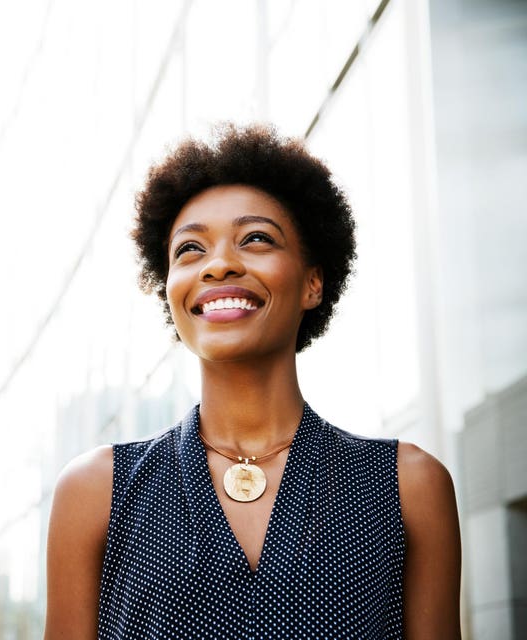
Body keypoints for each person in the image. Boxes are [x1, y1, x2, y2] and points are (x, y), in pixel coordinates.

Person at [44, 124, 461, 639]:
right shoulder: (95, 492)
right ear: (170, 290)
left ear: (313, 282)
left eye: (256, 238)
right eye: (190, 249)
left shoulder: (409, 486)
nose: (218, 264)